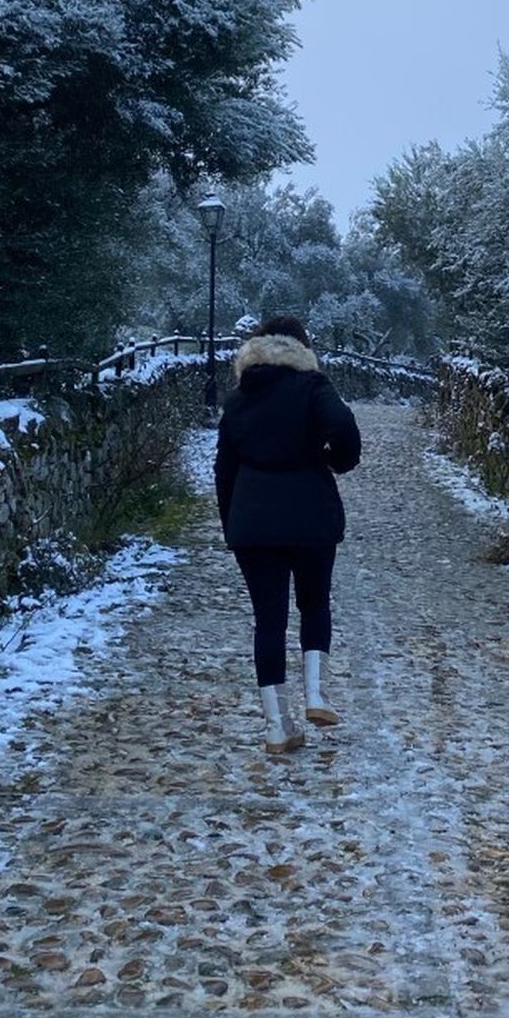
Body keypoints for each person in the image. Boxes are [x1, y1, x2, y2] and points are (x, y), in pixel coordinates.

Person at [214, 314, 362, 754]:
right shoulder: (313, 386)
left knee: (269, 620)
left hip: (254, 523)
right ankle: (316, 695)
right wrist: (337, 460)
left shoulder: (239, 399)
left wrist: (233, 524)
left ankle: (278, 727)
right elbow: (346, 429)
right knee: (314, 602)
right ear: (301, 347)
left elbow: (224, 469)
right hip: (311, 514)